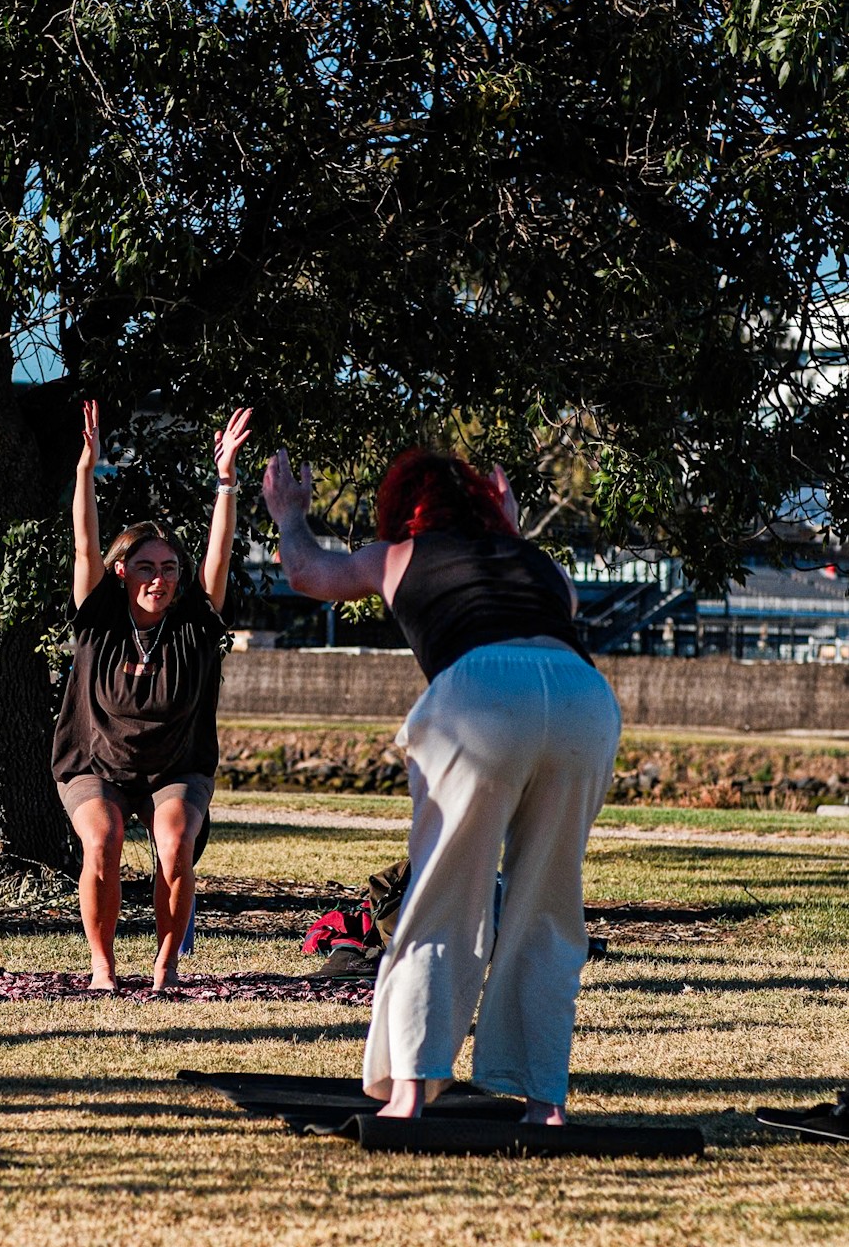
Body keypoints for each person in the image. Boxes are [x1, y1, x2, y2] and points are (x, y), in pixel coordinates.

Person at [262, 445, 621, 1125]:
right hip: (583, 698)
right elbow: (545, 609)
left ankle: (409, 1091)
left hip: (480, 696)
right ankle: (544, 1102)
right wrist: (511, 530)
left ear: (405, 509)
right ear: (488, 508)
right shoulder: (540, 565)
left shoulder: (399, 554)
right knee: (548, 906)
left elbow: (307, 573)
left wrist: (289, 516)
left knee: (439, 896)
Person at [53, 400, 252, 990]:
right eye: (145, 567)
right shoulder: (99, 619)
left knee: (175, 841)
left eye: (168, 568)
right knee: (103, 839)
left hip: (176, 767)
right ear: (122, 572)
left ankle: (165, 968)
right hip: (94, 764)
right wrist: (86, 470)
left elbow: (220, 555)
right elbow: (85, 547)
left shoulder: (194, 625)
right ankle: (103, 966)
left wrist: (226, 482)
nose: (158, 578)